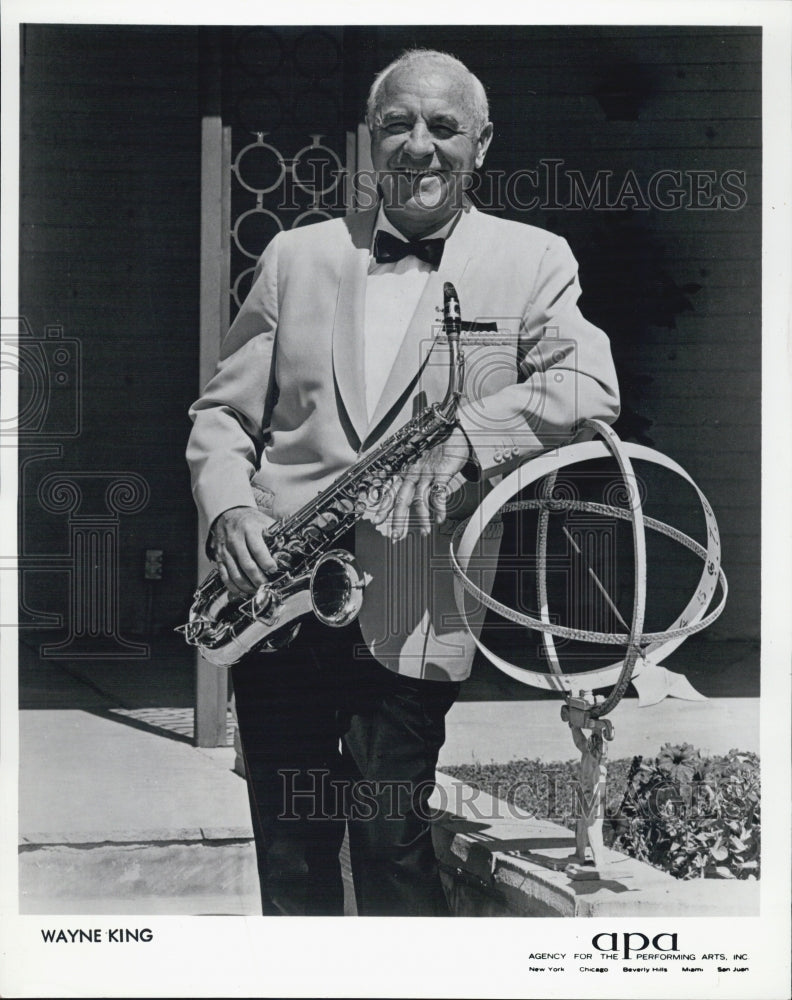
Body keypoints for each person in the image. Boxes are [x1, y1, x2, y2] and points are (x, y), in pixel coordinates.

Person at [186, 48, 620, 916]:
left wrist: (470, 432)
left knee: (392, 844)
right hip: (276, 594)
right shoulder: (295, 255)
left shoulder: (533, 258)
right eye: (397, 125)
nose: (419, 146)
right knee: (291, 851)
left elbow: (591, 387)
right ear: (369, 140)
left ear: (482, 143)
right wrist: (230, 504)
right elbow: (223, 416)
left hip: (418, 597)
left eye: (444, 127)